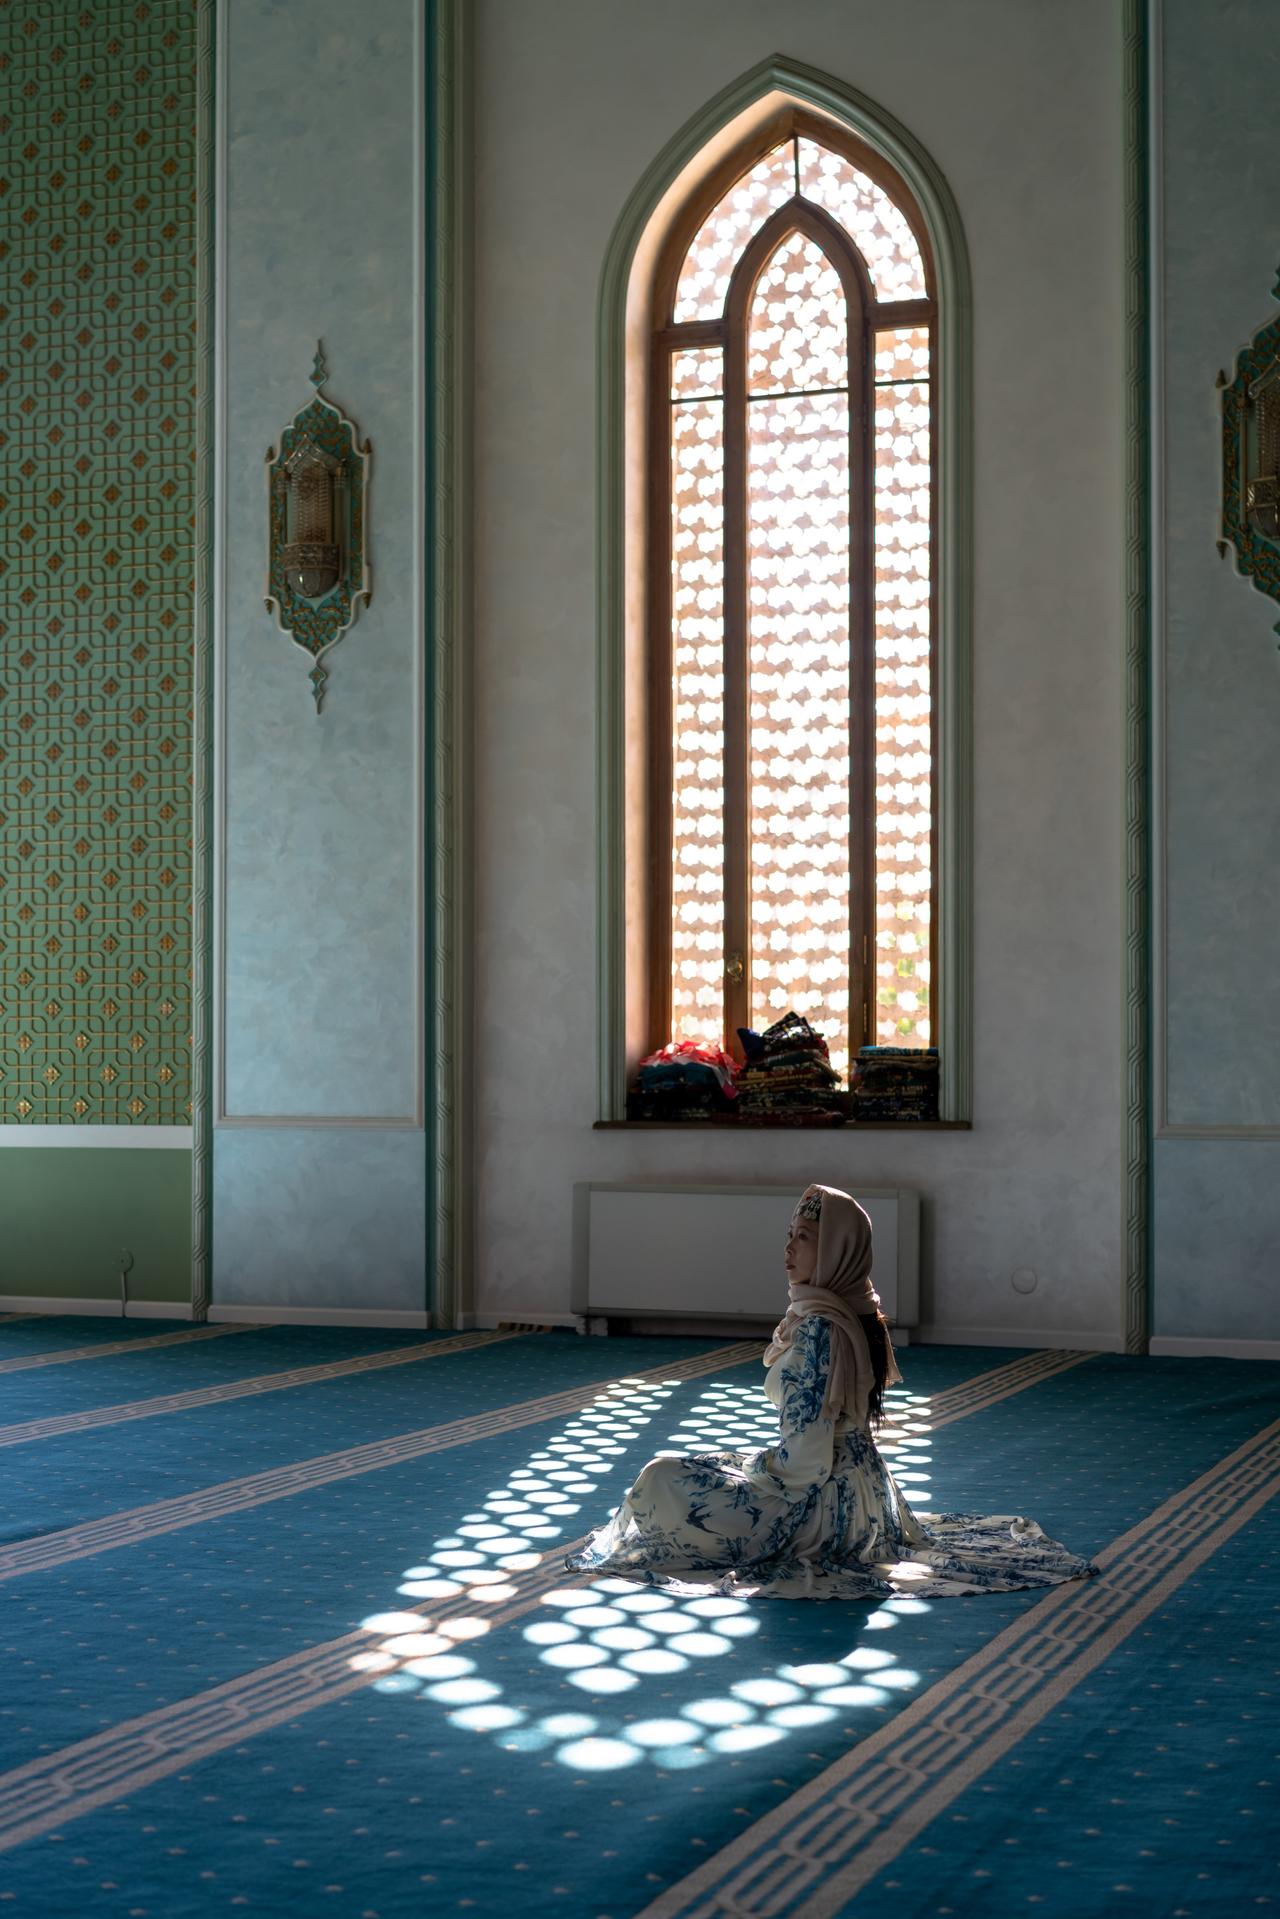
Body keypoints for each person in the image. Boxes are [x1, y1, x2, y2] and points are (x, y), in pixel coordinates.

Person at [564, 1182, 1096, 1601]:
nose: (789, 1248)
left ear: (836, 1249)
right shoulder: (848, 1309)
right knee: (694, 1472)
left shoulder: (821, 1326)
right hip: (860, 1494)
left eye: (803, 1236)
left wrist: (758, 1473)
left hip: (820, 1507)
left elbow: (804, 1456)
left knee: (661, 1479)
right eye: (789, 1234)